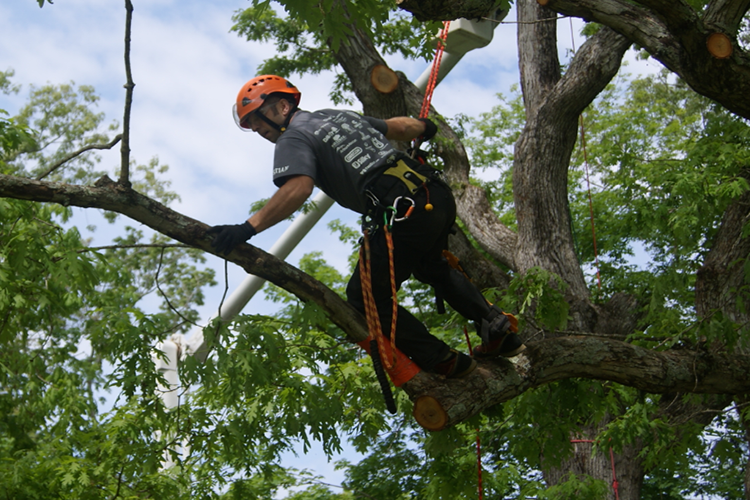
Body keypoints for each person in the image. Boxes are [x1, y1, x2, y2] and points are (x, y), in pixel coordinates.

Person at [207, 74, 525, 378]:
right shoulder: (339, 116)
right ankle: (498, 330)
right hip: (434, 197)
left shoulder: (293, 136)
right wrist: (423, 127)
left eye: (258, 118)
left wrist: (247, 228)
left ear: (282, 106)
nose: (256, 128)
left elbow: (298, 188)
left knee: (364, 298)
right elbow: (397, 127)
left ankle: (440, 359)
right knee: (433, 268)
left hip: (402, 210)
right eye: (250, 124)